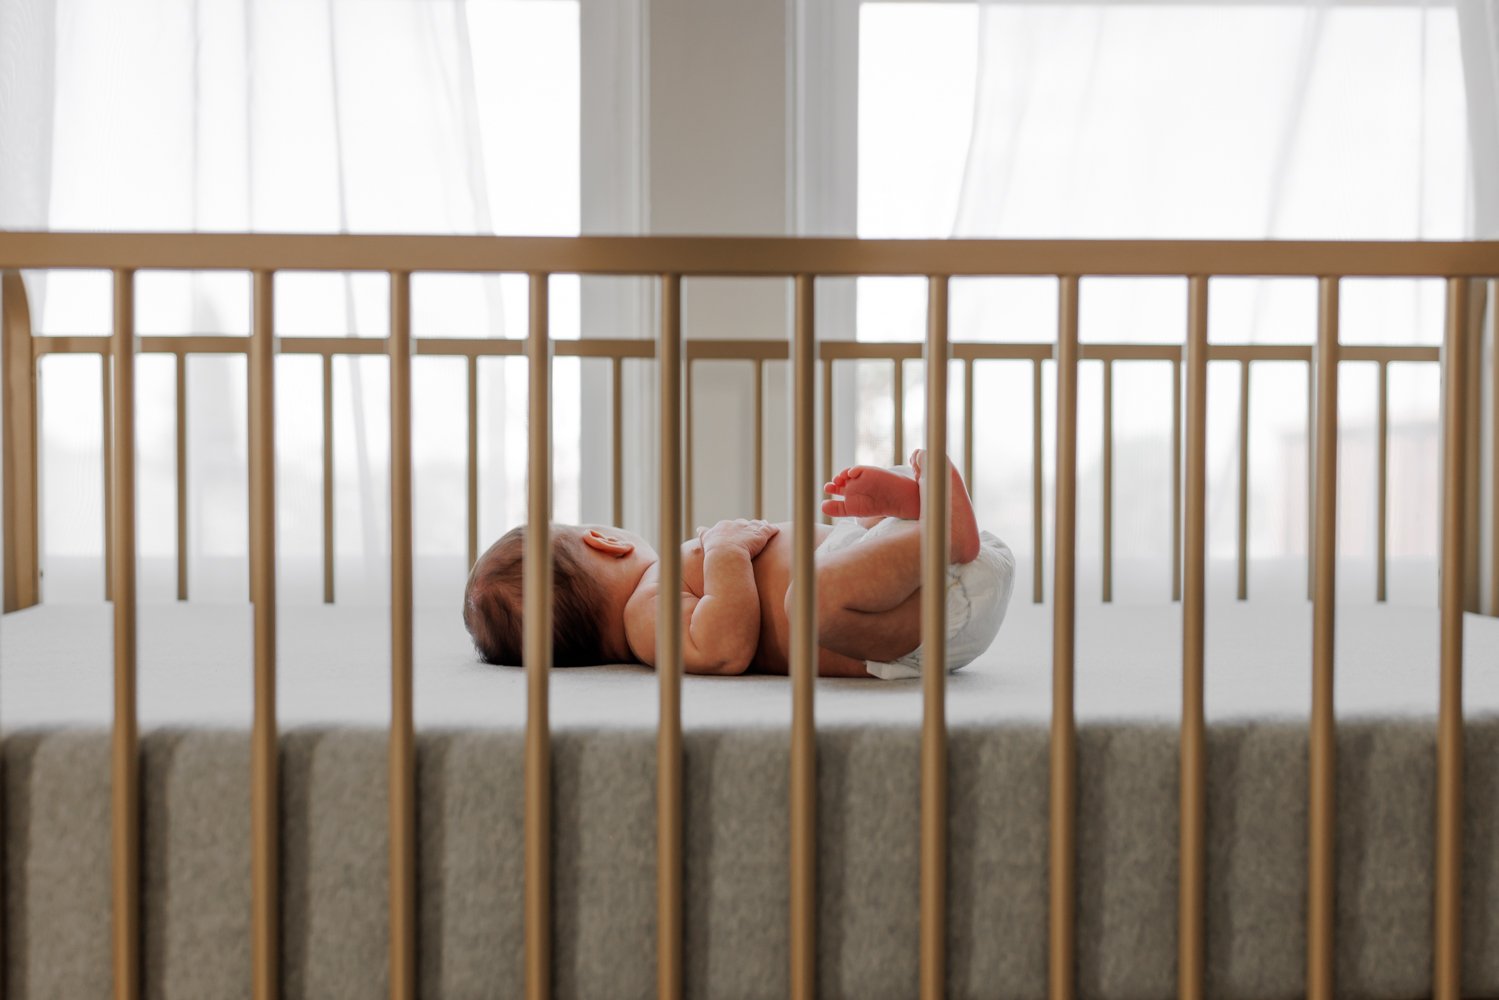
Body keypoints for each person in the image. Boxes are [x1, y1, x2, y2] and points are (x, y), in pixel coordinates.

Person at [463, 450, 1014, 679]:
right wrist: (725, 552)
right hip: (914, 622)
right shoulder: (642, 620)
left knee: (836, 561)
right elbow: (725, 648)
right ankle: (935, 536)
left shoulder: (657, 592)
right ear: (605, 542)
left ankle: (912, 519)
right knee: (809, 600)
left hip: (901, 589)